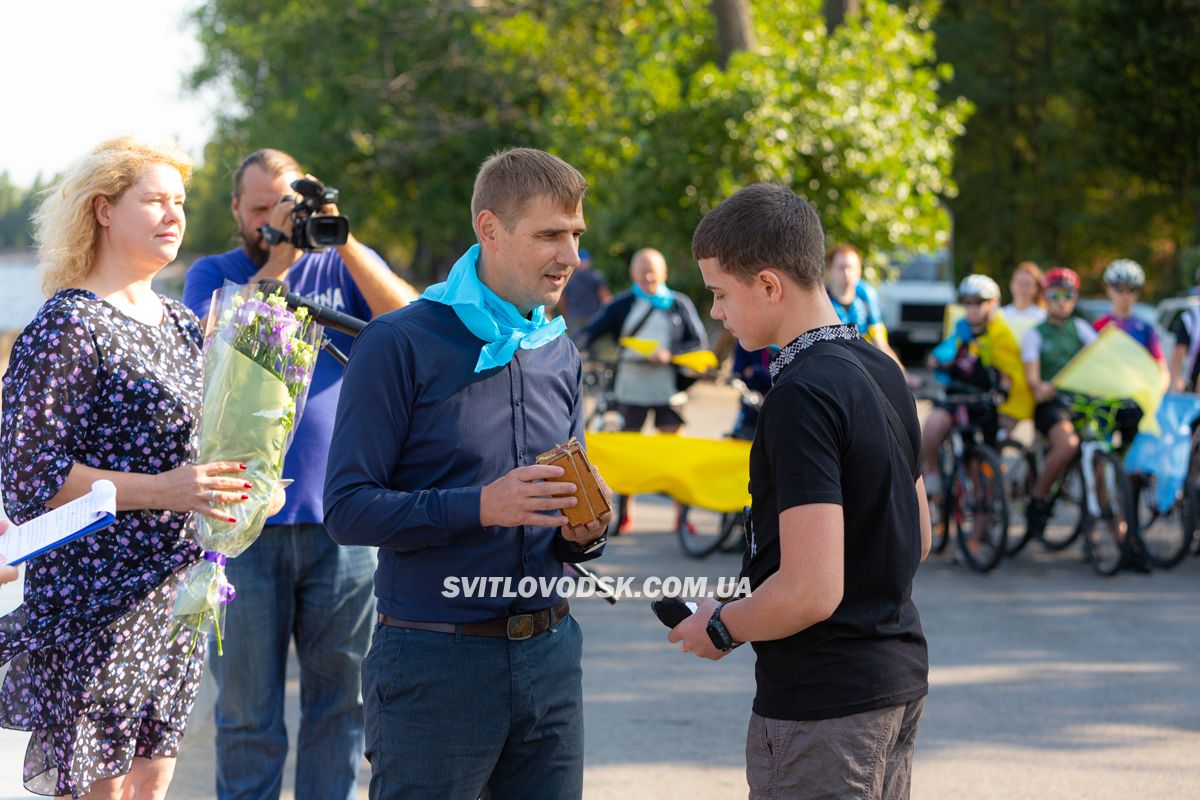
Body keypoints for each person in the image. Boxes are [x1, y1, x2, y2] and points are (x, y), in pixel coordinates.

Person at [323, 147, 611, 799]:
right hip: (435, 664)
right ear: (489, 230)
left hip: (552, 653)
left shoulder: (557, 349)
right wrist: (481, 506)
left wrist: (587, 528)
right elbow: (346, 509)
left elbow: (569, 517)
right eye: (549, 235)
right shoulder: (397, 342)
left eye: (575, 236)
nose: (569, 255)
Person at [0, 137, 253, 799]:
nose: (175, 215)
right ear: (105, 209)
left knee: (152, 784)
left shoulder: (176, 320)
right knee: (101, 792)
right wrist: (164, 491)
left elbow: (195, 451)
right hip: (92, 598)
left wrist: (246, 489)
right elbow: (31, 479)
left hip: (175, 592)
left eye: (180, 202)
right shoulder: (68, 325)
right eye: (155, 201)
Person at [672, 183, 930, 800]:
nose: (715, 314)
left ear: (768, 284)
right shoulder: (881, 367)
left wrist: (724, 625)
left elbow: (812, 589)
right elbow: (917, 535)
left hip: (825, 706)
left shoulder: (801, 395)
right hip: (893, 683)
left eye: (719, 293)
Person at [182, 148, 417, 800]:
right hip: (240, 528)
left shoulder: (338, 269)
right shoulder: (216, 271)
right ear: (236, 209)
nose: (268, 222)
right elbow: (210, 341)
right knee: (247, 715)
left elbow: (417, 322)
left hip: (342, 523)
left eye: (282, 209)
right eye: (258, 210)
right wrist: (282, 256)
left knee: (340, 709)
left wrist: (343, 239)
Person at [578, 248, 707, 531]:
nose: (648, 275)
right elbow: (590, 332)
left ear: (664, 273)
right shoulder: (621, 304)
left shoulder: (678, 304)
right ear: (632, 274)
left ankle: (682, 517)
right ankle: (624, 513)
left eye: (653, 270)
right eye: (642, 270)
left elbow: (698, 343)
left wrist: (669, 353)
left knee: (673, 454)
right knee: (628, 455)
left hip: (668, 390)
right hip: (631, 389)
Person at [921, 274, 1026, 495]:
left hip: (985, 404)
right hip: (956, 399)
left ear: (993, 303)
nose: (971, 308)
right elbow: (943, 355)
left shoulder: (1001, 334)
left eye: (978, 302)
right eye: (967, 302)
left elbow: (1008, 370)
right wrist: (939, 360)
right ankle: (933, 476)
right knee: (931, 429)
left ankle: (984, 508)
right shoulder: (960, 329)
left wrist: (1003, 390)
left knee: (982, 466)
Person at [1020, 268, 1097, 538]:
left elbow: (1100, 358)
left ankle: (1108, 523)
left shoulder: (1081, 329)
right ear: (1045, 297)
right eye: (1055, 295)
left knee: (1102, 453)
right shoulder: (1035, 334)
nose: (1061, 300)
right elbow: (1033, 378)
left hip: (1082, 403)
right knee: (1068, 444)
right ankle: (1038, 499)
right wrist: (1041, 387)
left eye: (1068, 295)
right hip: (1051, 405)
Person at [825, 243, 904, 367]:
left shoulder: (866, 299)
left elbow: (881, 344)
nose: (846, 273)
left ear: (859, 270)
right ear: (830, 270)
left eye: (850, 267)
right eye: (841, 267)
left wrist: (903, 375)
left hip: (862, 368)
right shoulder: (822, 303)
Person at [556, 248, 611, 331]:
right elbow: (606, 297)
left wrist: (567, 314)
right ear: (588, 261)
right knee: (594, 341)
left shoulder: (568, 278)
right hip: (594, 315)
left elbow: (561, 300)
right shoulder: (595, 275)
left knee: (576, 341)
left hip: (574, 316)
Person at [1000, 261, 1047, 345]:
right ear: (1011, 285)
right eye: (1019, 283)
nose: (1022, 288)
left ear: (1036, 288)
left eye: (1027, 284)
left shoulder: (1043, 317)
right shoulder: (1001, 315)